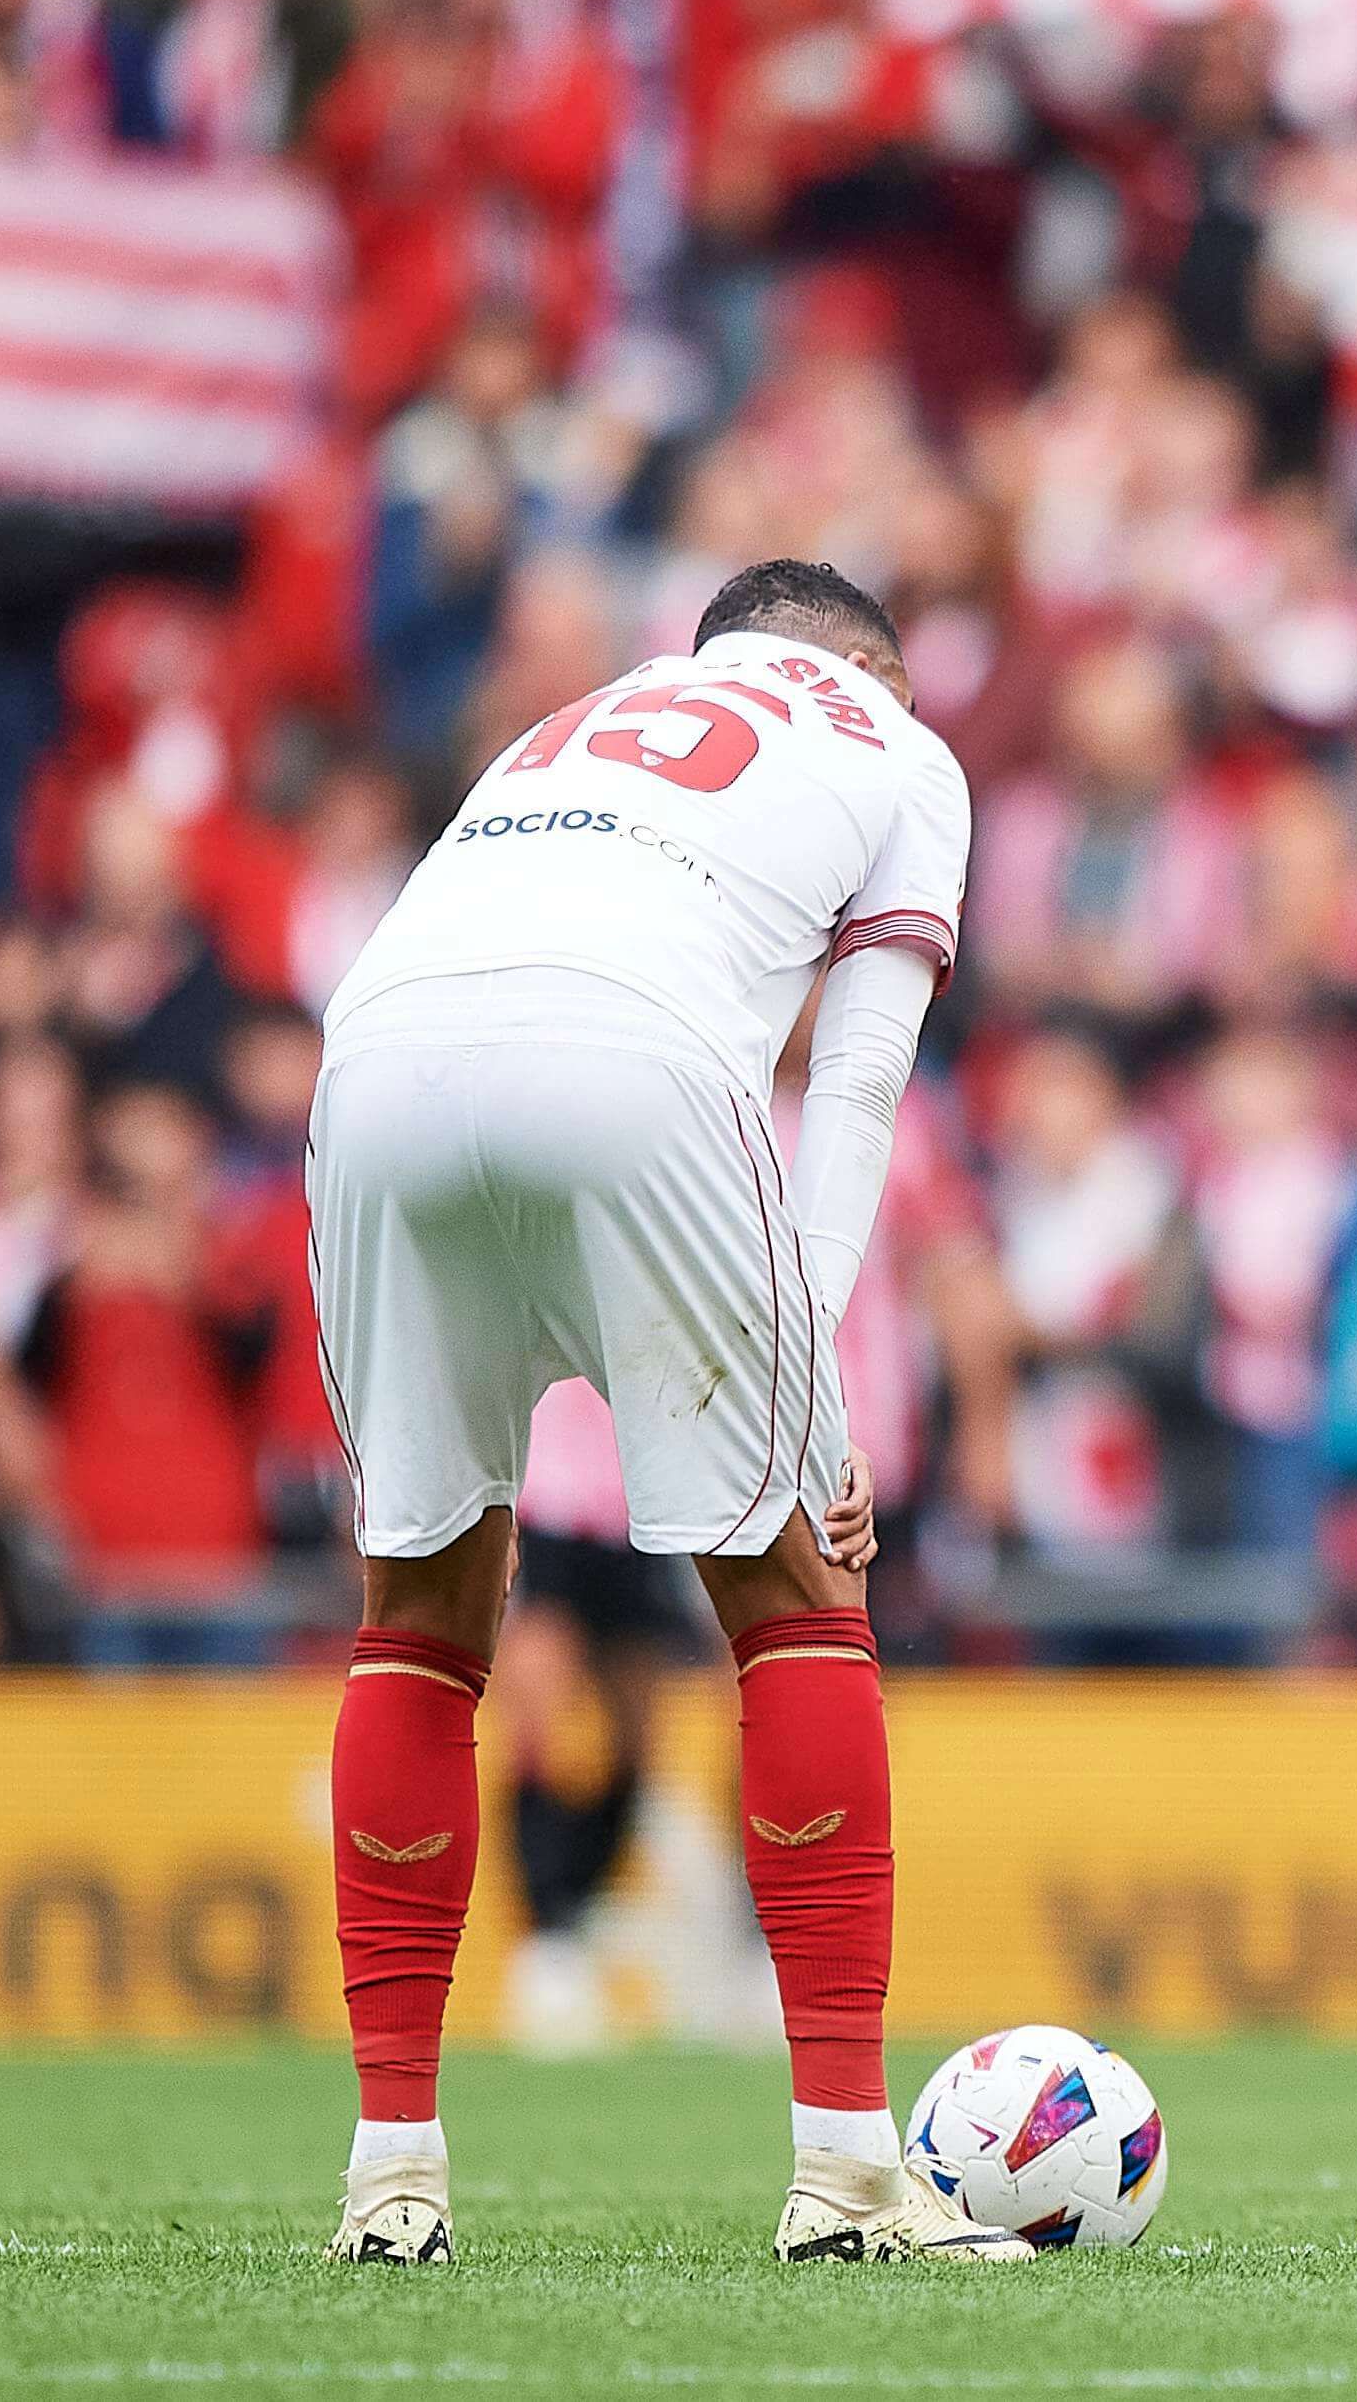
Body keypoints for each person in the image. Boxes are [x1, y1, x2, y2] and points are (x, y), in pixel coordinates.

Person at [306, 559, 1021, 2266]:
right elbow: (856, 1074)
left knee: (419, 1617)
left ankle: (390, 2181)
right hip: (636, 1057)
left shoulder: (569, 727)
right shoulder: (899, 746)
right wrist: (812, 1356)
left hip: (377, 1063)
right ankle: (846, 2173)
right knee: (797, 1599)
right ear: (865, 667)